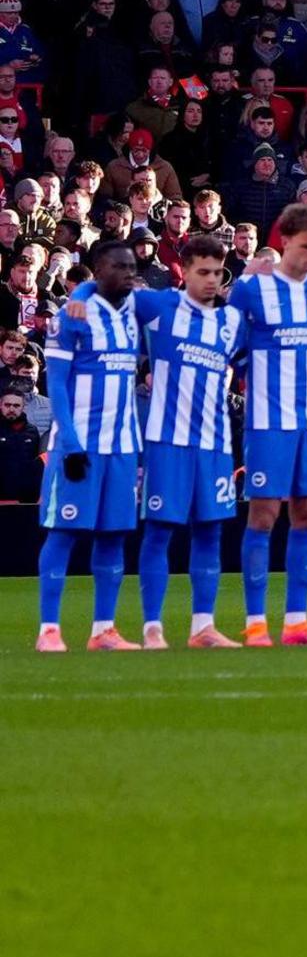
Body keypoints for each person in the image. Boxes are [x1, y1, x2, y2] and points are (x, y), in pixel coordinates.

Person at [230, 205, 307, 647]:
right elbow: (230, 345)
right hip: (267, 420)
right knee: (263, 515)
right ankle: (256, 622)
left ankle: (297, 621)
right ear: (284, 242)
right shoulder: (254, 291)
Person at [130, 235, 248, 648]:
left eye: (217, 272)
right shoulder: (160, 307)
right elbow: (109, 284)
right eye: (203, 272)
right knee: (160, 533)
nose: (212, 280)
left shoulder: (232, 322)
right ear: (184, 272)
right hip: (168, 442)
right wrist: (85, 292)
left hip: (215, 446)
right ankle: (152, 628)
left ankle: (203, 627)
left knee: (210, 534)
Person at [34, 240, 144, 651]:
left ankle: (104, 630)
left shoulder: (134, 311)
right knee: (63, 532)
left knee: (113, 536)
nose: (129, 273)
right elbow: (57, 384)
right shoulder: (72, 316)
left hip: (122, 444)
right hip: (80, 445)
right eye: (120, 266)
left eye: (133, 265)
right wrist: (72, 444)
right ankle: (49, 630)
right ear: (99, 269)